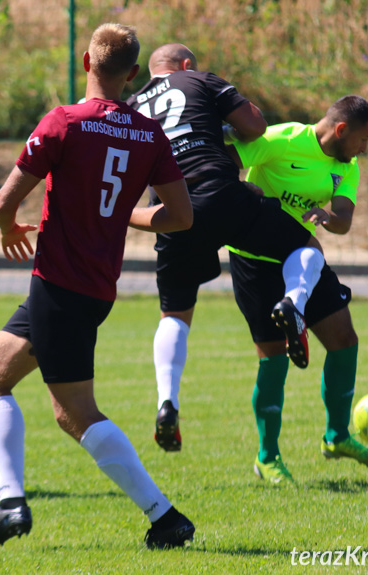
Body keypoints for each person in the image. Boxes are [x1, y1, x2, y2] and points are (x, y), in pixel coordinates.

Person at [0, 23, 196, 550]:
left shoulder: (64, 121)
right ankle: (10, 506)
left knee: (73, 412)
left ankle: (164, 516)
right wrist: (122, 216)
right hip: (89, 288)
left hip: (59, 284)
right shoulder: (148, 133)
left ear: (86, 62)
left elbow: (4, 203)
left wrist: (6, 231)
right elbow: (181, 217)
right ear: (132, 75)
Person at [125, 44, 325, 452]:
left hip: (170, 209)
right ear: (184, 66)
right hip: (220, 191)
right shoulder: (199, 79)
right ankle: (293, 302)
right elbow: (254, 126)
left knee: (175, 313)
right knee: (306, 245)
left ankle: (167, 401)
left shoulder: (130, 106)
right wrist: (221, 127)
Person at [226, 95, 368, 484]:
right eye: (363, 140)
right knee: (273, 359)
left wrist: (328, 217)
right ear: (341, 130)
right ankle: (267, 457)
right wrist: (242, 192)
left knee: (345, 340)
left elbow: (344, 218)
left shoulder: (345, 167)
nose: (365, 149)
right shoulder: (281, 140)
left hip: (301, 260)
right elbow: (229, 156)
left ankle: (337, 437)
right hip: (254, 258)